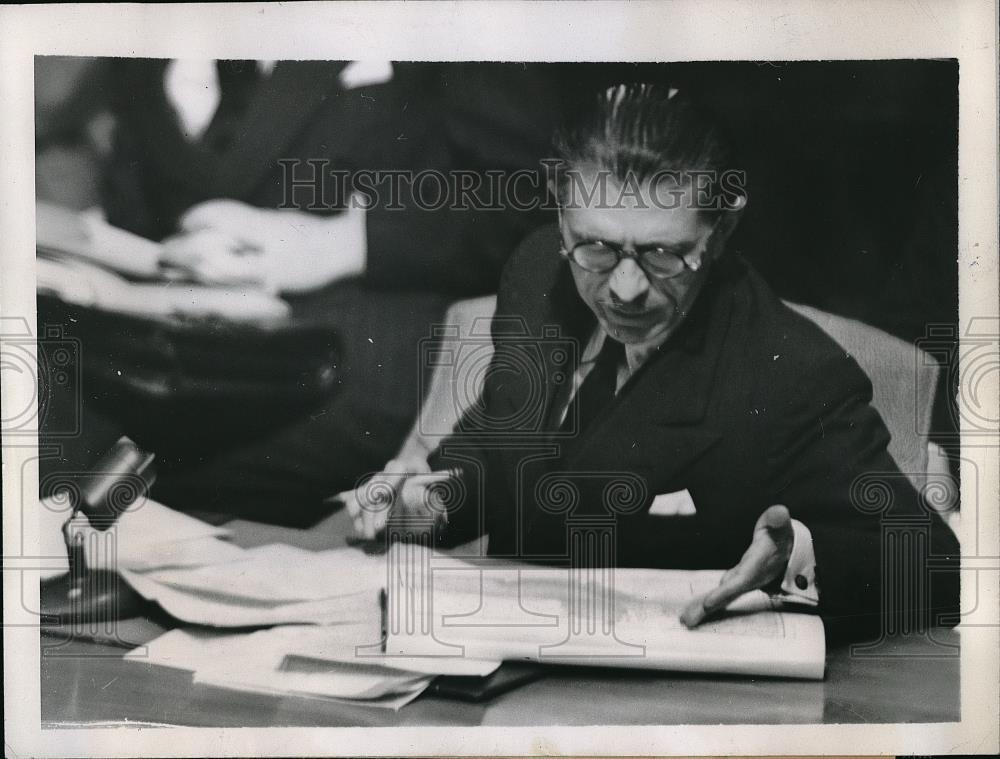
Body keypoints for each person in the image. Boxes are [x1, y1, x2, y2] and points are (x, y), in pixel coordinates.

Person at [350, 83, 960, 642]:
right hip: (512, 650)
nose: (624, 288)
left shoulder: (790, 374)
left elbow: (932, 566)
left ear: (721, 231)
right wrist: (434, 500)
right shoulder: (539, 272)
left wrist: (797, 558)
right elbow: (511, 442)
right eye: (596, 246)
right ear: (561, 215)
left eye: (663, 254)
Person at [38, 59, 562, 525]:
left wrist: (342, 242)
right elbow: (139, 202)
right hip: (178, 331)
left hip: (356, 357)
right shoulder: (141, 47)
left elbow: (545, 200)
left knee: (60, 426)